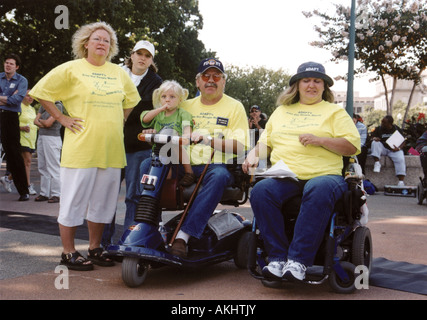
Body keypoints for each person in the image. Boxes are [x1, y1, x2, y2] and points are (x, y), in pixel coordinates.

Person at [29, 22, 141, 271]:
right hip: (81, 148)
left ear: (110, 47)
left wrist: (120, 118)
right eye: (97, 39)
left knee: (103, 203)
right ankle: (68, 252)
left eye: (106, 40)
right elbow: (41, 92)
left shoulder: (119, 73)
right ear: (86, 44)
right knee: (73, 200)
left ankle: (94, 248)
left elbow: (131, 98)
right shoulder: (71, 69)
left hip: (111, 148)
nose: (102, 43)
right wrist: (61, 118)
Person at [242, 61, 360, 281]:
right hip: (286, 175)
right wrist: (252, 155)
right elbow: (265, 144)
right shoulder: (281, 111)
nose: (312, 85)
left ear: (325, 87)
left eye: (317, 81)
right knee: (261, 191)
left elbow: (351, 146)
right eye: (306, 80)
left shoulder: (335, 112)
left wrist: (321, 140)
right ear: (296, 85)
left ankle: (298, 261)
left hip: (325, 176)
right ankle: (277, 258)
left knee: (317, 188)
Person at [139, 57, 249, 257]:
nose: (211, 80)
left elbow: (240, 147)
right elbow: (163, 124)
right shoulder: (183, 105)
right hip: (181, 163)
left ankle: (183, 236)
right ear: (197, 81)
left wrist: (208, 140)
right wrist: (155, 132)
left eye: (217, 76)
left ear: (223, 81)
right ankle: (151, 227)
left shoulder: (235, 107)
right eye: (205, 76)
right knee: (147, 164)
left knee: (220, 177)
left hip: (214, 166)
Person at [102, 40, 163, 247]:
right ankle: (102, 243)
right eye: (139, 54)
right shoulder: (116, 73)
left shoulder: (156, 82)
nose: (142, 58)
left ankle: (129, 242)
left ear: (151, 60)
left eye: (147, 55)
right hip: (112, 142)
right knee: (107, 195)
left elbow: (151, 111)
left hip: (138, 147)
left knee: (134, 195)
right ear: (132, 55)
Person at [141, 80, 195, 186]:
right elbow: (145, 119)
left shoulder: (183, 114)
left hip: (177, 153)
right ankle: (155, 191)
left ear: (179, 100)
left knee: (173, 143)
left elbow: (187, 131)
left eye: (172, 97)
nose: (167, 100)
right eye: (164, 97)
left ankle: (189, 172)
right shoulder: (157, 114)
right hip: (159, 152)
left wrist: (185, 136)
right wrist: (160, 109)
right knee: (145, 164)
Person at [0, 53, 30, 200]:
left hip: (10, 118)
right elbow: (12, 98)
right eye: (6, 62)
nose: (8, 65)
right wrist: (8, 98)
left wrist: (8, 99)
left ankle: (23, 191)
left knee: (13, 154)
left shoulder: (22, 80)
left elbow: (17, 100)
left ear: (16, 67)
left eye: (11, 63)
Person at [33, 101, 64, 203]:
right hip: (42, 136)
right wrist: (44, 122)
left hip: (52, 138)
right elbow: (35, 121)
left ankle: (56, 194)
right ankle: (44, 193)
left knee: (53, 166)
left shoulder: (58, 105)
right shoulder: (44, 105)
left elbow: (48, 123)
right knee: (42, 166)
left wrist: (41, 121)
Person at [371, 115, 406, 186]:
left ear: (390, 123)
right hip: (383, 148)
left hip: (393, 149)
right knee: (375, 143)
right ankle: (377, 163)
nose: (382, 124)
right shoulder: (379, 129)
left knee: (400, 158)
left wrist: (398, 148)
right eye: (382, 122)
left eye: (384, 123)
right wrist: (374, 138)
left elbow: (404, 140)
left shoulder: (396, 129)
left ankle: (401, 181)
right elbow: (371, 138)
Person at [18, 90, 38, 195]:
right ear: (23, 96)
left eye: (32, 96)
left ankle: (7, 178)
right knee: (28, 161)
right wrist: (22, 127)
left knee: (23, 163)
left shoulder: (32, 109)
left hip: (31, 139)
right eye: (28, 96)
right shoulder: (18, 107)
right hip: (22, 138)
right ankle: (27, 186)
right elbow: (10, 124)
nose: (30, 98)